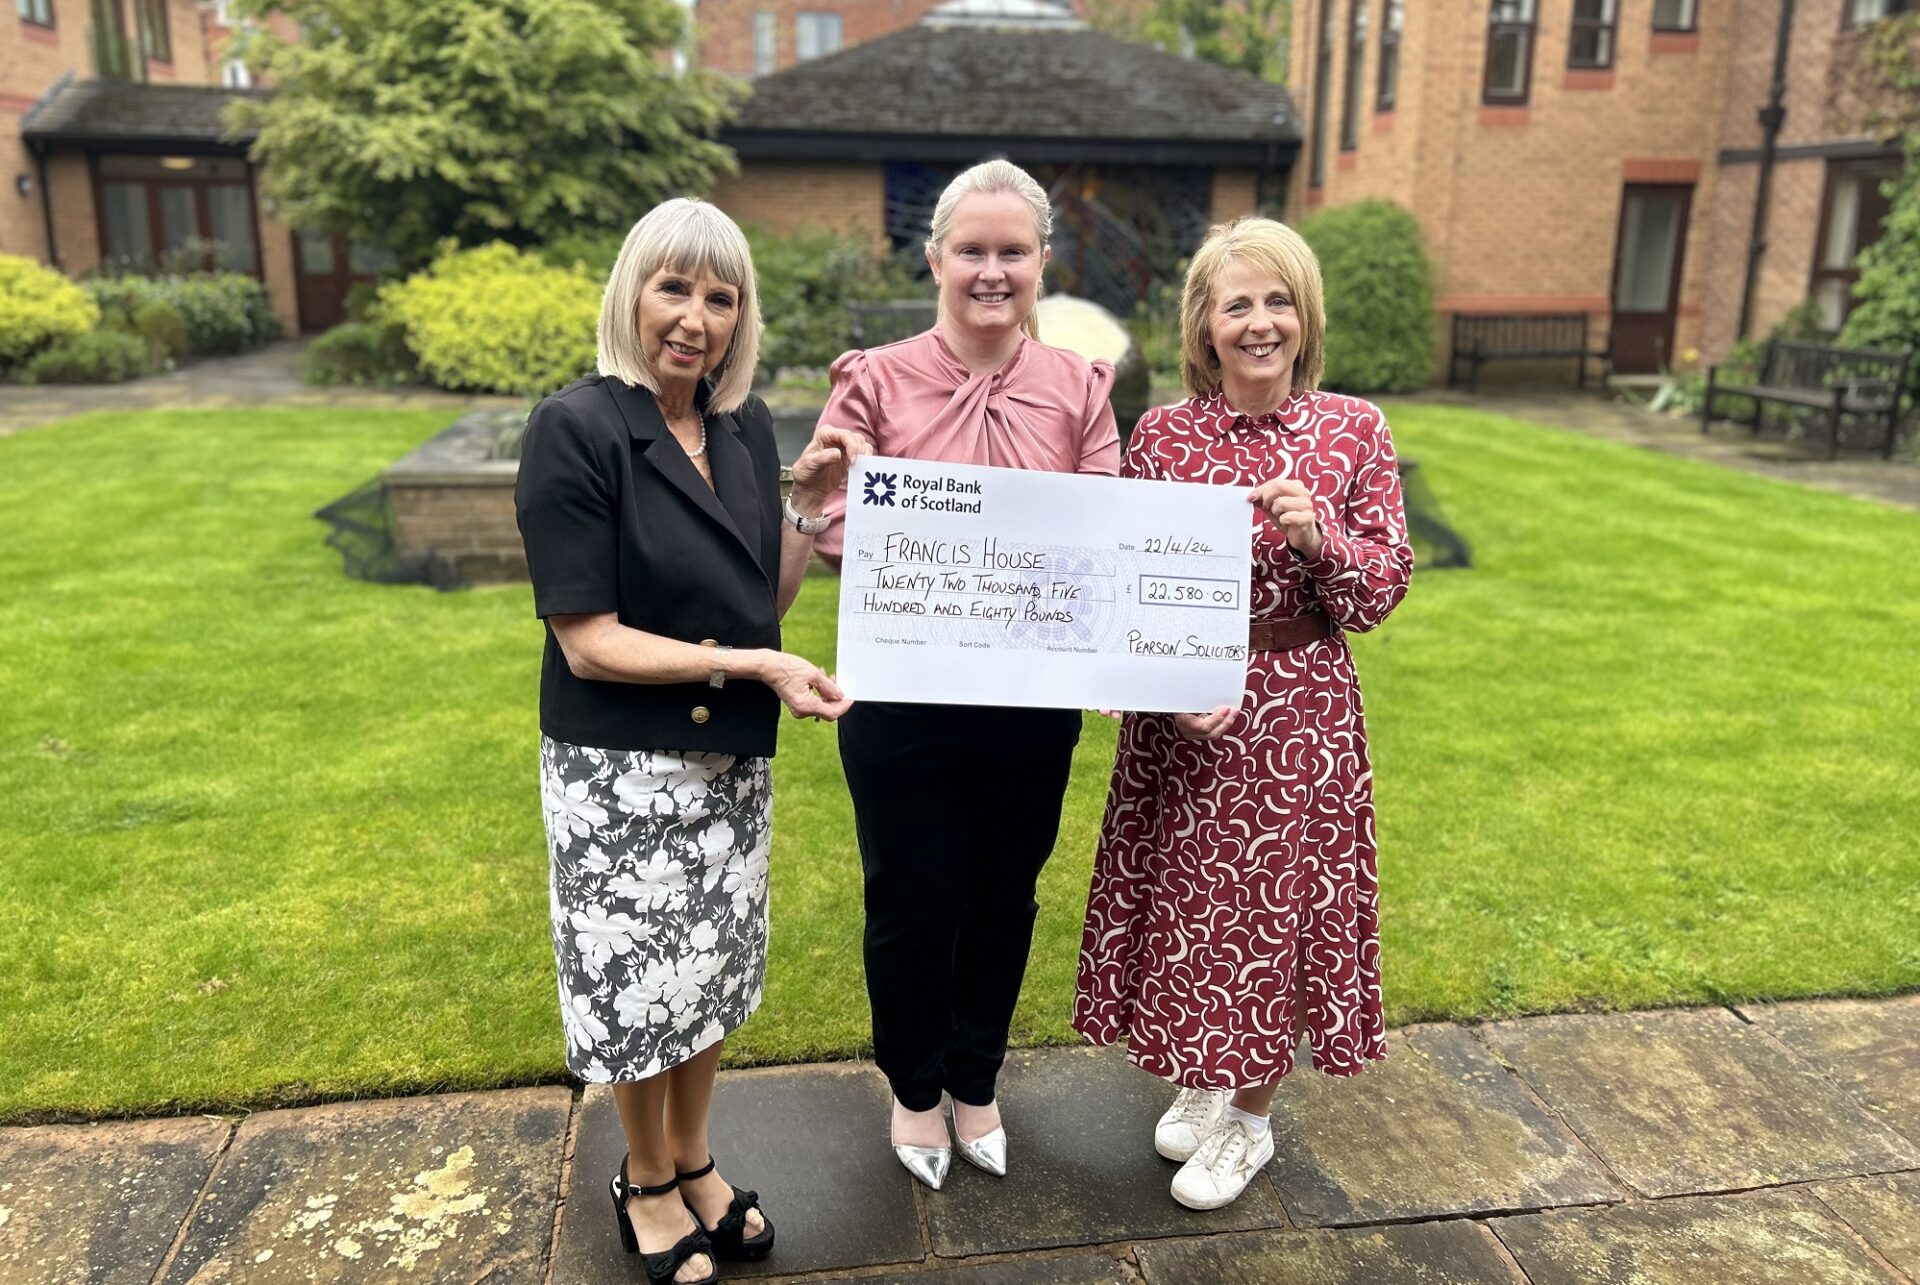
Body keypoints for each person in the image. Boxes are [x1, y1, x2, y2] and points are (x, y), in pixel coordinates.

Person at [516, 198, 866, 1285]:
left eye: (722, 297)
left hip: (727, 766)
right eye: (676, 288)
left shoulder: (742, 426)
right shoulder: (577, 426)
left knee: (710, 976)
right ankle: (647, 1178)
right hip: (619, 769)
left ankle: (697, 1156)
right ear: (632, 291)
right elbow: (588, 642)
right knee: (640, 984)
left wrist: (804, 510)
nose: (696, 318)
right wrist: (754, 667)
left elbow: (764, 600)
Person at [1073, 216, 1413, 1211]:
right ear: (1205, 326)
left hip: (1298, 711)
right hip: (1188, 719)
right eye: (1238, 305)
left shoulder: (1354, 429)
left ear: (1304, 318)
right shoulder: (1166, 435)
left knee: (1275, 918)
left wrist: (1322, 541)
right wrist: (1165, 695)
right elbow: (1124, 587)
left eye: (1278, 302)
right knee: (1193, 905)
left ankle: (1252, 1121)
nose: (1260, 323)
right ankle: (1205, 1070)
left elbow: (1383, 588)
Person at [812, 159, 1120, 1189]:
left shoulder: (1080, 387)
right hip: (903, 700)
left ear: (1042, 263)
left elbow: (1107, 537)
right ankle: (911, 1087)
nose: (993, 271)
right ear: (937, 257)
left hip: (1031, 706)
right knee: (911, 896)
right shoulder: (876, 378)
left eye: (1014, 252)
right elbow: (838, 524)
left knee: (1002, 896)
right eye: (973, 251)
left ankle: (976, 1076)